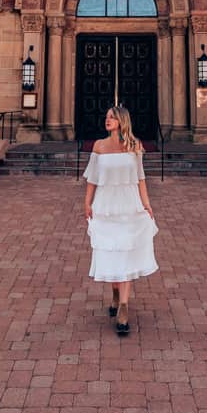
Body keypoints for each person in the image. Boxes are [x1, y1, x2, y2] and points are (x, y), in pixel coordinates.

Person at [83, 105, 158, 335]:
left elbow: (141, 178)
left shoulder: (135, 146)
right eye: (106, 117)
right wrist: (87, 203)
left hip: (129, 206)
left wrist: (146, 204)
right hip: (106, 207)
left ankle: (123, 308)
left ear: (122, 120)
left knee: (126, 253)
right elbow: (92, 179)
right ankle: (115, 292)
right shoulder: (99, 146)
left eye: (112, 117)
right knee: (110, 251)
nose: (107, 120)